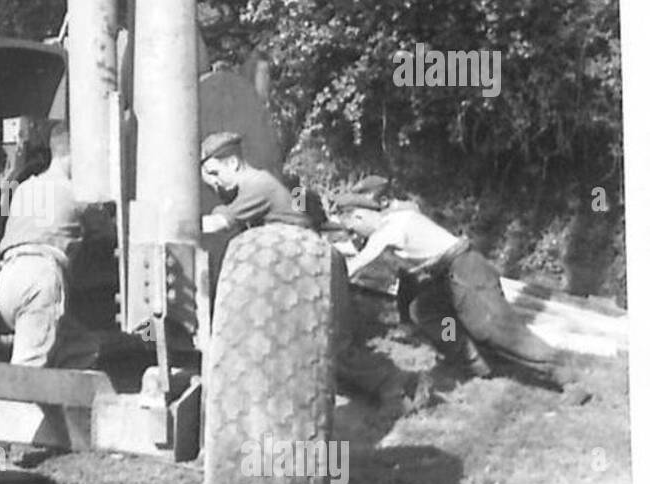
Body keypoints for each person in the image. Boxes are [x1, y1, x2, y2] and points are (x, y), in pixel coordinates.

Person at [340, 202, 567, 382]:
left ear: (359, 216)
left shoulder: (392, 227)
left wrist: (336, 274)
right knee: (426, 311)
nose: (354, 236)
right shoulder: (398, 218)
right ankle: (476, 361)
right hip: (447, 274)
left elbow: (363, 259)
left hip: (466, 268)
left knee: (496, 329)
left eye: (352, 229)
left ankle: (562, 372)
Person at [0, 122, 100, 368]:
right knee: (27, 371)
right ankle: (14, 406)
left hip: (8, 281)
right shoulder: (77, 193)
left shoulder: (25, 188)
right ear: (74, 157)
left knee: (83, 348)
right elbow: (104, 229)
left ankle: (60, 405)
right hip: (40, 281)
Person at [198, 131, 312, 234]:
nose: (214, 182)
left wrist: (183, 224)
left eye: (215, 173)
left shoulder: (256, 184)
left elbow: (217, 224)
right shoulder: (251, 183)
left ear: (233, 163)